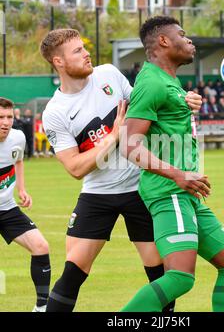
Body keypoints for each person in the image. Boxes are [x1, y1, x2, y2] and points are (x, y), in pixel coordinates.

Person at [40, 28, 202, 312]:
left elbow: (150, 105)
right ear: (59, 62)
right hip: (97, 194)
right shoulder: (55, 112)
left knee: (161, 275)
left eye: (84, 47)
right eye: (77, 50)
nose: (86, 53)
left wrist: (184, 100)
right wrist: (114, 136)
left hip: (140, 189)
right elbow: (75, 168)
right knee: (73, 273)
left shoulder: (109, 75)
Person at [120, 16, 224, 312]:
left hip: (187, 194)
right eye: (182, 34)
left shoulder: (170, 82)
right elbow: (129, 144)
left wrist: (186, 102)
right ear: (163, 41)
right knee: (180, 277)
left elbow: (166, 121)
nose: (189, 40)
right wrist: (177, 175)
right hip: (169, 192)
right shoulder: (151, 82)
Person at [0, 97, 51, 312]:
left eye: (9, 117)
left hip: (8, 209)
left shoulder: (18, 137)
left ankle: (41, 307)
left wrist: (21, 189)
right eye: (1, 117)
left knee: (41, 247)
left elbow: (18, 161)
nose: (6, 122)